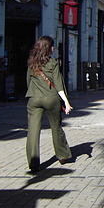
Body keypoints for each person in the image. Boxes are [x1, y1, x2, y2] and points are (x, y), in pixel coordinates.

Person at [25, 36, 73, 173]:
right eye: (52, 46)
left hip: (34, 99)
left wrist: (33, 92)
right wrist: (66, 102)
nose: (53, 49)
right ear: (48, 48)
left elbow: (28, 80)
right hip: (51, 99)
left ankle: (33, 163)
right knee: (56, 128)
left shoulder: (31, 62)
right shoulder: (53, 63)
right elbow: (58, 84)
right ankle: (62, 155)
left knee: (33, 131)